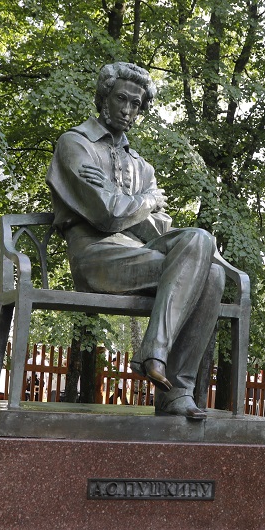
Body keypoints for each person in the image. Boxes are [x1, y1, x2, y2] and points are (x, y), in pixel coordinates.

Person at [47, 62, 225, 420]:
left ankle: (175, 390)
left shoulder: (142, 166)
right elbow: (107, 215)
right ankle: (155, 357)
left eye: (136, 104)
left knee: (210, 265)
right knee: (203, 265)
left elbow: (156, 229)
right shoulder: (75, 144)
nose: (128, 110)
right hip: (96, 258)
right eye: (121, 99)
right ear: (104, 98)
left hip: (140, 257)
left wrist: (130, 205)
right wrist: (147, 201)